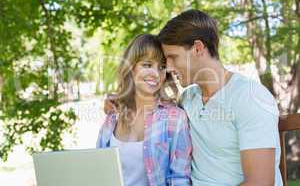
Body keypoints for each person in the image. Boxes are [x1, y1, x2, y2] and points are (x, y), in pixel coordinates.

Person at [105, 10, 282, 186]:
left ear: (198, 48)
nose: (168, 69)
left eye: (173, 58)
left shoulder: (250, 97)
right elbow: (155, 113)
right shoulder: (188, 99)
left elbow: (260, 183)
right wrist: (120, 101)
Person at [96, 34, 192, 186]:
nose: (155, 74)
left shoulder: (174, 118)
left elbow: (180, 178)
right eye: (147, 65)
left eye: (161, 67)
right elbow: (98, 171)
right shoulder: (113, 116)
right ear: (131, 67)